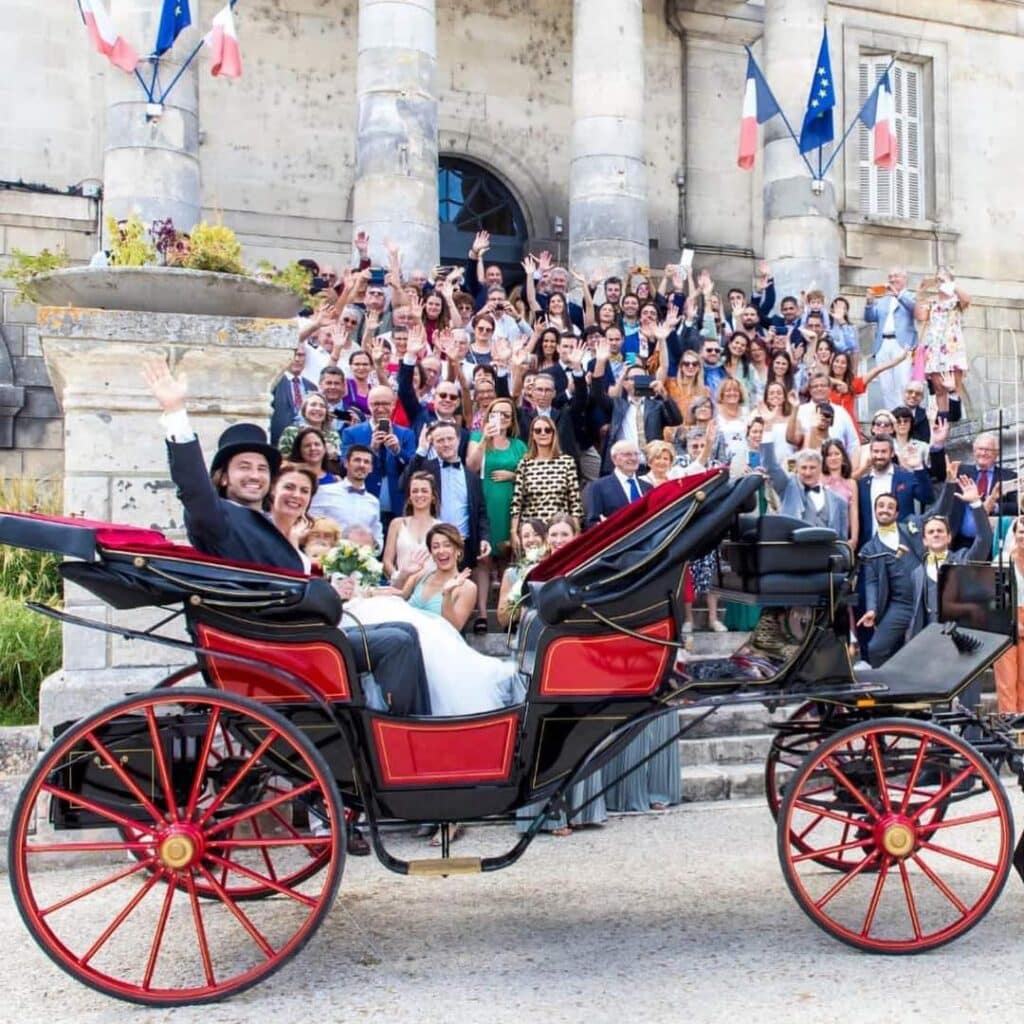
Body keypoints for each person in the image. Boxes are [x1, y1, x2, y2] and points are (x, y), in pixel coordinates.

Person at [140, 356, 432, 726]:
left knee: (404, 631)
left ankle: (409, 730)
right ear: (223, 479)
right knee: (398, 643)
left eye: (262, 469)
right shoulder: (218, 519)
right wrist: (175, 413)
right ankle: (405, 735)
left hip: (295, 635)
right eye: (244, 467)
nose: (255, 475)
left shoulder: (257, 522)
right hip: (280, 646)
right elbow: (194, 490)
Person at [516, 516, 607, 836]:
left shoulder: (585, 571)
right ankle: (545, 813)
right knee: (543, 737)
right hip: (539, 656)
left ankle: (578, 810)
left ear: (575, 537)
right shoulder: (534, 570)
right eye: (553, 535)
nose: (556, 540)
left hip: (574, 658)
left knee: (576, 735)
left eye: (563, 534)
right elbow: (517, 611)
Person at [857, 478, 990, 668]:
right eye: (931, 532)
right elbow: (871, 581)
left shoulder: (960, 560)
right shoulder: (916, 571)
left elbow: (983, 538)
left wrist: (975, 503)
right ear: (925, 541)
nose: (935, 534)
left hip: (953, 627)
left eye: (940, 531)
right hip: (905, 606)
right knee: (884, 649)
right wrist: (872, 609)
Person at [466, 396, 527, 628]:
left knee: (507, 558)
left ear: (512, 420)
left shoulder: (519, 445)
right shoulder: (476, 438)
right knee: (483, 559)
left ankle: (507, 613)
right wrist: (485, 439)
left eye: (506, 415)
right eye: (496, 413)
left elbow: (528, 473)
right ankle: (482, 614)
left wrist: (513, 476)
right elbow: (471, 466)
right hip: (485, 502)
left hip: (510, 506)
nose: (500, 418)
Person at [402, 420, 492, 574]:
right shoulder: (426, 468)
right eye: (440, 440)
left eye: (450, 439)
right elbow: (403, 485)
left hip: (463, 544)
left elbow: (481, 511)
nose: (446, 444)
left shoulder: (472, 477)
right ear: (433, 444)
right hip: (431, 544)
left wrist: (484, 538)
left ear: (458, 440)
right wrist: (421, 451)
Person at [340, 385, 416, 531]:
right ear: (368, 405)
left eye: (385, 404)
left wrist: (397, 451)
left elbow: (413, 467)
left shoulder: (406, 434)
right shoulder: (351, 433)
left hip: (396, 506)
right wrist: (371, 449)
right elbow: (345, 466)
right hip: (362, 505)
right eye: (376, 404)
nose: (381, 408)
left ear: (393, 405)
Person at [509, 416, 583, 554]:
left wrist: (576, 531)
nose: (543, 433)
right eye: (538, 430)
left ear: (554, 433)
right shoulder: (524, 463)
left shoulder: (567, 461)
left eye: (547, 430)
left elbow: (575, 502)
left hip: (559, 530)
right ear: (532, 435)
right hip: (533, 531)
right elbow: (517, 502)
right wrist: (514, 532)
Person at [856, 436, 933, 548]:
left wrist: (918, 467)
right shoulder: (862, 484)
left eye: (884, 452)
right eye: (875, 451)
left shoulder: (906, 477)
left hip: (901, 546)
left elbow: (927, 498)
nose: (879, 456)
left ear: (892, 453)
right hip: (870, 548)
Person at [761, 446, 850, 539]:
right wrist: (767, 433)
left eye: (812, 468)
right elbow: (770, 466)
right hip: (795, 551)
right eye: (804, 468)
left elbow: (842, 541)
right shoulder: (789, 488)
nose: (808, 473)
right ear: (797, 469)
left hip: (826, 552)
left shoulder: (840, 502)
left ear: (820, 468)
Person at [949, 432, 1018, 550]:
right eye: (980, 449)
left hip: (993, 541)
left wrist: (995, 507)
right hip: (959, 542)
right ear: (974, 451)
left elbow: (1018, 507)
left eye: (989, 449)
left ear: (997, 453)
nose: (984, 453)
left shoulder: (1009, 476)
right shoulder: (960, 471)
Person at [916, 266, 971, 417]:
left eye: (942, 279)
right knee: (939, 388)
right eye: (937, 280)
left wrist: (951, 285)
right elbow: (921, 317)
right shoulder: (932, 301)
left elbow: (967, 300)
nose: (939, 283)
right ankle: (943, 421)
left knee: (954, 386)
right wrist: (920, 292)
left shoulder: (955, 300)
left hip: (952, 346)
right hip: (935, 346)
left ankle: (956, 418)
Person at [401, 523, 477, 630]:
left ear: (458, 551)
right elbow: (396, 599)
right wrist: (404, 574)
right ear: (431, 553)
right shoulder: (420, 577)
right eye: (435, 547)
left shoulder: (468, 587)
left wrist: (447, 594)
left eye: (447, 545)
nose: (441, 551)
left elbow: (454, 628)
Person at [864, 267, 917, 410]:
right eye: (890, 277)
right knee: (886, 385)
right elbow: (870, 318)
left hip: (901, 344)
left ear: (904, 279)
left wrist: (898, 295)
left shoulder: (910, 296)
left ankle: (905, 417)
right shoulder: (883, 300)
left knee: (903, 383)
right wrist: (869, 303)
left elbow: (915, 309)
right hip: (883, 344)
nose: (892, 280)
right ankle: (891, 418)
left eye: (896, 276)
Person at [381, 469, 440, 585]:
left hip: (430, 590)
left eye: (424, 491)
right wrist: (398, 578)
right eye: (415, 491)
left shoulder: (441, 527)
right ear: (409, 497)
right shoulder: (397, 524)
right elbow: (387, 561)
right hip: (401, 588)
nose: (419, 495)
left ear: (433, 497)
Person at [583, 440, 652, 528]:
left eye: (636, 454)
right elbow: (592, 522)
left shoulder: (647, 487)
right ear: (614, 459)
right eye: (628, 454)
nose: (634, 458)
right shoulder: (599, 487)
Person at [994, 516, 1024, 713]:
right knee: (1007, 679)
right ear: (1014, 534)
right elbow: (996, 597)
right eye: (1021, 531)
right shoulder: (1002, 561)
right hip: (1007, 620)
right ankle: (1010, 731)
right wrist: (1014, 620)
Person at [496, 518, 548, 630]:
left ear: (545, 538)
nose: (531, 540)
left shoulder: (553, 566)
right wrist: (520, 603)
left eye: (536, 534)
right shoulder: (512, 573)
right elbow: (502, 619)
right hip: (524, 631)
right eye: (526, 536)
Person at [270, 345, 317, 445]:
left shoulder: (312, 387)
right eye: (293, 355)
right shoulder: (274, 382)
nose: (297, 359)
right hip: (279, 442)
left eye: (301, 355)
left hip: (307, 442)